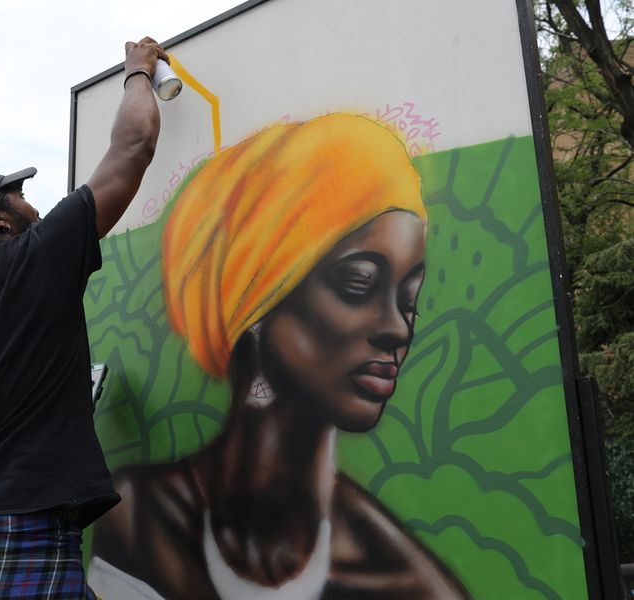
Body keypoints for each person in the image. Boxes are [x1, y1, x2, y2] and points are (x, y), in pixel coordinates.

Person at [88, 114, 469, 599]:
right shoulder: (138, 516)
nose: (397, 329)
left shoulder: (408, 585)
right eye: (359, 284)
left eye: (409, 301)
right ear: (258, 302)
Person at [0, 36, 166, 598]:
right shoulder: (37, 256)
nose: (31, 202)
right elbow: (134, 146)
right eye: (19, 194)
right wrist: (139, 72)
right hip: (19, 535)